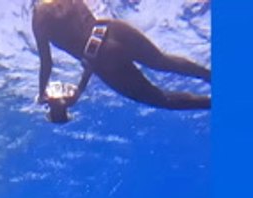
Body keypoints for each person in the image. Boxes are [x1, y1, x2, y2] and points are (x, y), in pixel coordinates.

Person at [31, 0, 211, 119]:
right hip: (111, 29)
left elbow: (47, 63)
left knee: (162, 99)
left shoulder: (39, 17)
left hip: (103, 58)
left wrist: (41, 94)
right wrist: (81, 87)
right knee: (163, 61)